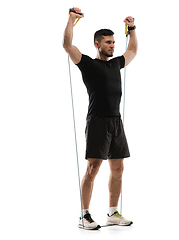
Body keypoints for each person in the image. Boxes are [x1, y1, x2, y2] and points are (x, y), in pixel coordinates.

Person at [63, 7, 138, 230]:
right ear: (97, 44)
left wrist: (132, 29)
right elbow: (67, 45)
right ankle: (84, 215)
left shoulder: (116, 64)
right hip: (97, 121)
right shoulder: (87, 64)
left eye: (114, 42)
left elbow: (132, 50)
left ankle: (112, 212)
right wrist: (71, 19)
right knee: (93, 168)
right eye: (108, 42)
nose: (113, 46)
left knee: (118, 168)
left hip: (116, 121)